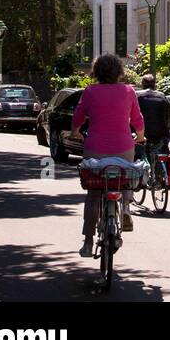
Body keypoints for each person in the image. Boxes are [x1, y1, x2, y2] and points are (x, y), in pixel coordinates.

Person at [70, 54, 144, 259]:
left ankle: (87, 241)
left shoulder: (90, 91)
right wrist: (140, 136)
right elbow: (137, 119)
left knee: (94, 193)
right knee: (125, 179)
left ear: (97, 72)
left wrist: (76, 132)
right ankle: (126, 207)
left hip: (94, 148)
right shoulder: (129, 91)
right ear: (119, 71)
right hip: (123, 147)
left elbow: (78, 117)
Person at [135, 74, 170, 175]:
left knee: (137, 153)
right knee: (161, 151)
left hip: (141, 133)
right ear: (154, 84)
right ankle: (160, 174)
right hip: (159, 133)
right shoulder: (161, 95)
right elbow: (169, 115)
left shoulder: (137, 95)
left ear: (142, 84)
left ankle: (139, 174)